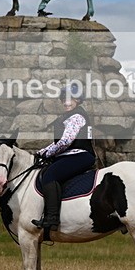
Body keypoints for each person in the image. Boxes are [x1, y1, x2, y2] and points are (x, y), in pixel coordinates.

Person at [32, 83, 95, 238]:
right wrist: (41, 152)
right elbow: (58, 143)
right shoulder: (70, 117)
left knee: (50, 175)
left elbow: (65, 142)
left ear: (78, 100)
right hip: (72, 154)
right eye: (63, 100)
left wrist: (47, 154)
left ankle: (51, 219)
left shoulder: (76, 117)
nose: (66, 103)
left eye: (70, 99)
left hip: (79, 155)